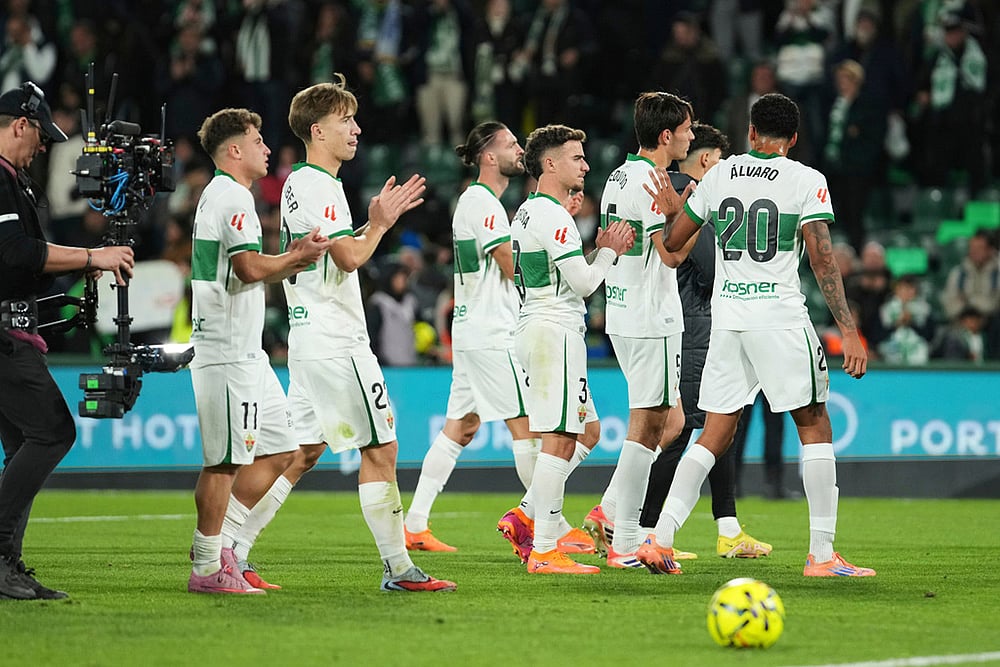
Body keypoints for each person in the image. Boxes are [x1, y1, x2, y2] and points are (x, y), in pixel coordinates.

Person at [639, 93, 875, 578]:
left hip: (728, 320)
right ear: (793, 138)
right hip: (780, 318)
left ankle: (659, 540)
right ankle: (823, 556)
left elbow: (674, 244)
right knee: (815, 427)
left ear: (750, 133)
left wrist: (669, 211)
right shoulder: (807, 180)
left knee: (713, 433)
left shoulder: (719, 175)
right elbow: (822, 258)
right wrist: (849, 330)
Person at [277, 75, 455, 592]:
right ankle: (399, 570)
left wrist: (374, 221)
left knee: (300, 453)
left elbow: (335, 251)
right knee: (382, 449)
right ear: (317, 130)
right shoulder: (318, 185)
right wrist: (377, 226)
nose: (356, 129)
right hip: (337, 340)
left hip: (309, 336)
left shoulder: (304, 184)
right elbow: (352, 259)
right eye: (345, 121)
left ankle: (231, 551)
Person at [0, 81, 133, 600]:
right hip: (3, 339)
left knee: (22, 443)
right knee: (53, 432)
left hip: (11, 331)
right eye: (41, 137)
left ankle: (6, 567)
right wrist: (90, 257)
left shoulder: (13, 179)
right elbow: (15, 253)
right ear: (20, 125)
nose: (44, 147)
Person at [187, 107, 328, 595]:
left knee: (282, 448)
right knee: (224, 462)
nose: (268, 148)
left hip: (246, 351)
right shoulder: (232, 198)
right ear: (235, 150)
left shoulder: (227, 196)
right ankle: (207, 565)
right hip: (225, 351)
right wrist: (297, 257)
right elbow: (247, 268)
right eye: (259, 140)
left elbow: (245, 267)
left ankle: (223, 546)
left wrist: (290, 260)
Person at [638, 122, 773, 557]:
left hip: (693, 322)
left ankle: (727, 526)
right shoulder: (685, 197)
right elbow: (711, 269)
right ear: (707, 159)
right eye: (718, 159)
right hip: (694, 326)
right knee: (681, 431)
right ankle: (638, 527)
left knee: (719, 426)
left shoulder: (677, 192)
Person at [506, 123, 634, 574]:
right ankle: (542, 548)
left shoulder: (528, 211)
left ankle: (529, 516)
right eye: (576, 157)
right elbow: (581, 284)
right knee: (560, 438)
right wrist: (608, 250)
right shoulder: (553, 217)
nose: (585, 164)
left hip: (540, 327)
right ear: (550, 163)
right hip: (553, 329)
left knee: (589, 432)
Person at [403, 121, 536, 551]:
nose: (520, 149)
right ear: (489, 156)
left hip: (472, 326)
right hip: (492, 330)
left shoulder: (477, 202)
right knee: (529, 427)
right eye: (512, 144)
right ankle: (545, 527)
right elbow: (512, 266)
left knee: (461, 427)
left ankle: (415, 524)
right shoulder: (485, 204)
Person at [579, 92, 696, 570]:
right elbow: (669, 255)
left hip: (624, 312)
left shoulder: (618, 175)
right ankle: (624, 539)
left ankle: (608, 513)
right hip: (652, 319)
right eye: (687, 129)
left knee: (672, 421)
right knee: (648, 428)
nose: (691, 135)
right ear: (666, 135)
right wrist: (687, 216)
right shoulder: (652, 180)